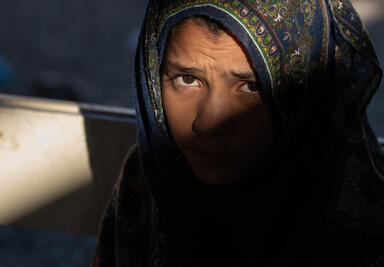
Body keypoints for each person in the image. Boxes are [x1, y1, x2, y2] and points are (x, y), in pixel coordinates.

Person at [91, 0, 384, 266]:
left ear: (303, 94)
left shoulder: (365, 224)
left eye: (251, 86)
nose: (210, 123)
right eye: (187, 78)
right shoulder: (148, 176)